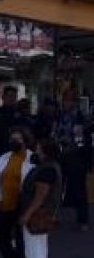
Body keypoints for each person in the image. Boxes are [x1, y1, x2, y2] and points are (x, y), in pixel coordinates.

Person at [0, 126, 34, 258]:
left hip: (22, 204)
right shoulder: (4, 157)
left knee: (21, 239)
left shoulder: (32, 158)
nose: (13, 142)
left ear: (25, 141)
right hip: (4, 202)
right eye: (11, 139)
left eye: (17, 139)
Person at [19, 139, 63, 258]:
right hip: (43, 213)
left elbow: (40, 195)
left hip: (38, 214)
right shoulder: (51, 167)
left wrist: (27, 214)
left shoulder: (46, 170)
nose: (36, 151)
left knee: (34, 248)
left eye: (38, 149)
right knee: (39, 248)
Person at [55, 93, 90, 231]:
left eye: (68, 101)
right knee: (57, 186)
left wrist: (80, 153)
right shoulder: (60, 116)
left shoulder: (80, 117)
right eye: (64, 101)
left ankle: (83, 220)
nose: (65, 103)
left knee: (78, 187)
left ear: (74, 102)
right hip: (61, 154)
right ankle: (54, 216)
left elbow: (82, 140)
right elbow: (55, 132)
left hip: (75, 155)